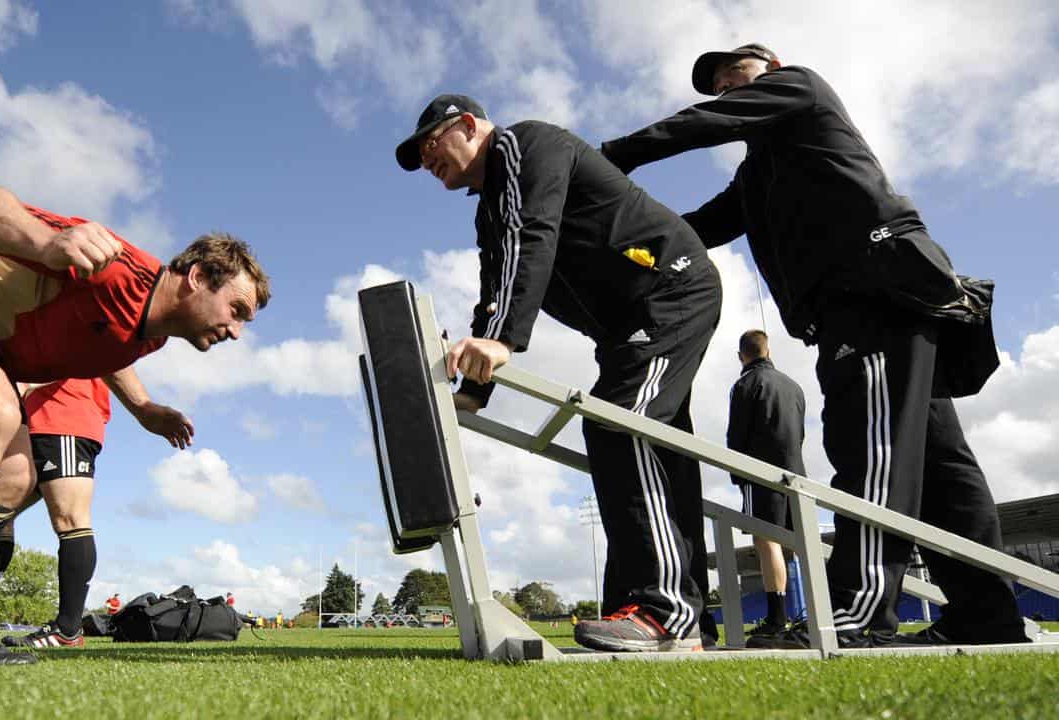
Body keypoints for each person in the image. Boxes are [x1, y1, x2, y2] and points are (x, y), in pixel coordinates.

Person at [601, 44, 1027, 648]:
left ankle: (856, 611)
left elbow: (704, 122)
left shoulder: (800, 87)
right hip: (871, 305)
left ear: (769, 72)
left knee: (869, 448)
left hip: (872, 294)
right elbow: (696, 230)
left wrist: (609, 159)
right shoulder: (756, 176)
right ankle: (988, 615)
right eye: (719, 86)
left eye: (735, 76)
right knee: (938, 463)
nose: (727, 90)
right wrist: (618, 236)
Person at [0, 185, 270, 665]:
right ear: (199, 277)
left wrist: (142, 407)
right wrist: (45, 244)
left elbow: (108, 346)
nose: (236, 331)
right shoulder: (116, 264)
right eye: (237, 310)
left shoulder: (150, 339)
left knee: (15, 477)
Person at [396, 94, 722, 652]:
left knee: (622, 426)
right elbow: (495, 279)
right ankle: (668, 614)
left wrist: (502, 339)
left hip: (669, 292)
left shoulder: (525, 145)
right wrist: (475, 388)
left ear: (469, 126)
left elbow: (532, 236)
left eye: (430, 145)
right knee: (657, 451)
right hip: (625, 328)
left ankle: (667, 611)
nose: (427, 161)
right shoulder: (490, 203)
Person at [0, 372, 193, 649]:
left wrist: (144, 407)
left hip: (63, 416)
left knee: (70, 518)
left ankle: (67, 628)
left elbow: (93, 350)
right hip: (26, 423)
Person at [726, 330, 806, 644]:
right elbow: (799, 433)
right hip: (796, 473)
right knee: (800, 545)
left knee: (767, 542)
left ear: (741, 356)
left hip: (761, 475)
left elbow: (737, 435)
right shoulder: (794, 386)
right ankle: (817, 613)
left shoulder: (744, 384)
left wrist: (737, 475)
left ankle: (776, 618)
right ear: (768, 350)